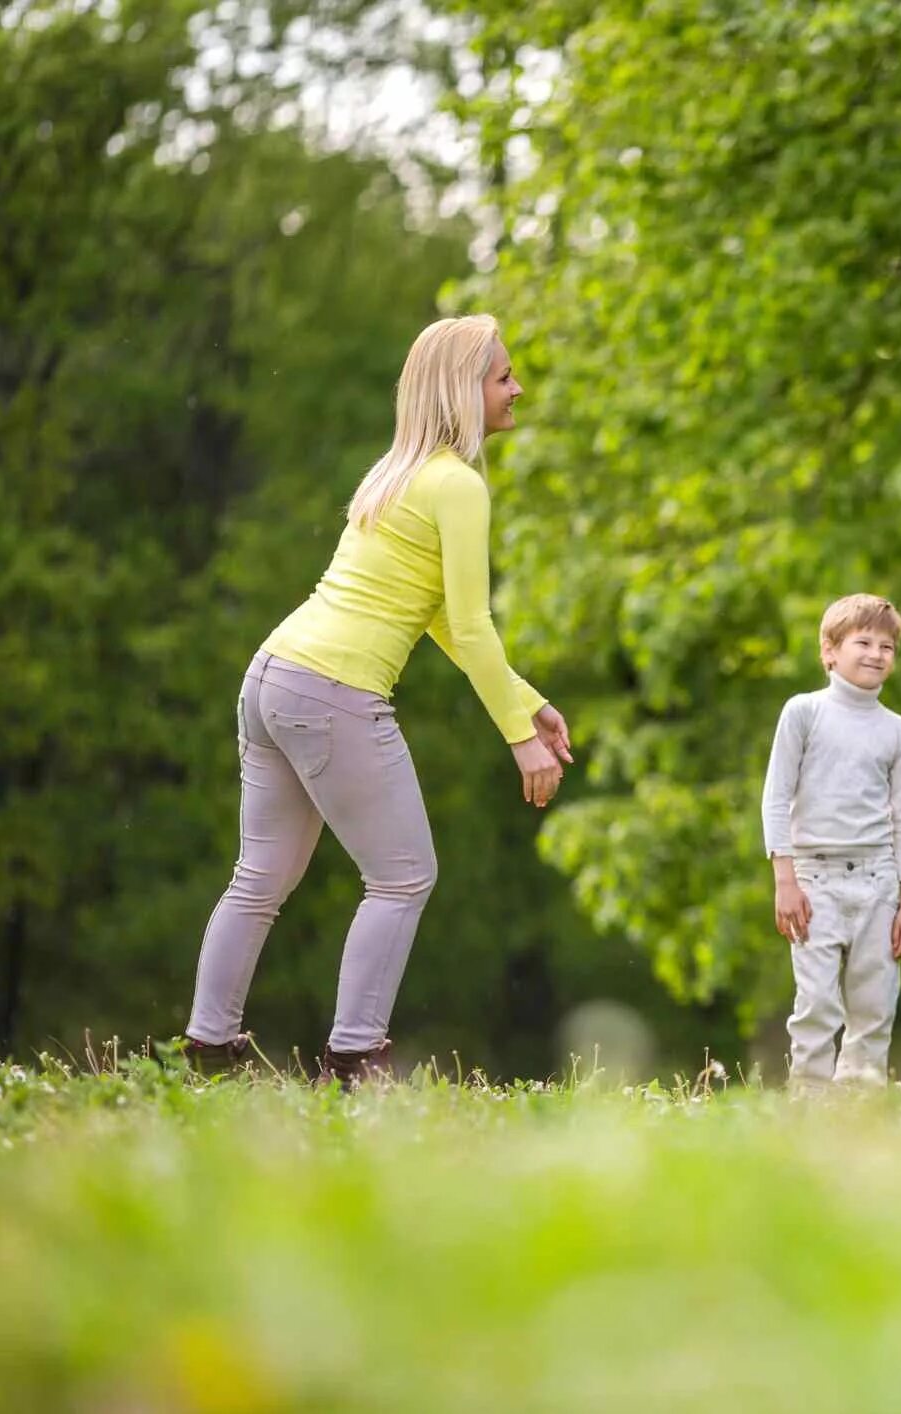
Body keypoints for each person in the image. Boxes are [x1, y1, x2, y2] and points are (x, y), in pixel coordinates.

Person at [183, 314, 572, 1086]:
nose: (517, 389)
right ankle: (354, 1060)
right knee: (402, 876)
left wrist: (525, 703)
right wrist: (520, 741)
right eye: (503, 378)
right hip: (333, 690)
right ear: (464, 390)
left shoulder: (394, 473)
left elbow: (435, 619)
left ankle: (207, 1052)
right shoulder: (455, 484)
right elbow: (470, 621)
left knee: (258, 878)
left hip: (273, 675)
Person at [762, 594, 901, 1088]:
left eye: (887, 646)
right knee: (816, 1003)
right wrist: (785, 881)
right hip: (814, 880)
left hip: (878, 882)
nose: (876, 653)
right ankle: (808, 1106)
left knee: (874, 1005)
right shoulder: (804, 712)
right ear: (830, 651)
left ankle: (858, 1111)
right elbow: (775, 798)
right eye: (864, 642)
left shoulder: (898, 731)